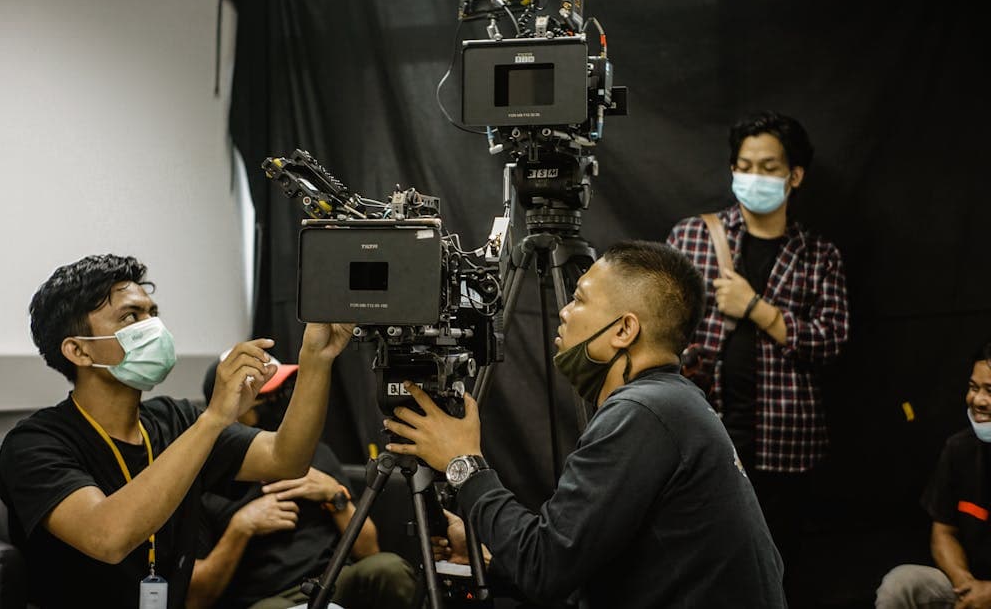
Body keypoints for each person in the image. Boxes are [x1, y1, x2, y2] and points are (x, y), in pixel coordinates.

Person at [385, 240, 786, 608]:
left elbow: (544, 569)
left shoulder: (642, 413)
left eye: (579, 300)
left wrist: (464, 463)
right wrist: (489, 560)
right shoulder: (673, 404)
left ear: (624, 330)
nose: (564, 312)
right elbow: (577, 567)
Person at [0, 254, 352, 608]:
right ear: (79, 351)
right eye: (131, 316)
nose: (153, 327)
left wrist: (316, 359)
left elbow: (285, 458)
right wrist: (214, 418)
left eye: (152, 313)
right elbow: (107, 538)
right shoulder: (34, 445)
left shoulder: (173, 419)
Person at [666, 110, 850, 590]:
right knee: (703, 564)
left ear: (795, 175)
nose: (754, 177)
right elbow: (661, 326)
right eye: (744, 166)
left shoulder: (818, 255)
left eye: (768, 167)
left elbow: (831, 341)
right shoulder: (692, 236)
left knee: (778, 566)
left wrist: (757, 309)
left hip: (785, 443)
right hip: (705, 433)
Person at [189, 357, 416, 609]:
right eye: (265, 394)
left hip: (333, 580)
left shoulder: (314, 454)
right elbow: (196, 598)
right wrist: (240, 529)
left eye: (281, 390)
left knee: (388, 569)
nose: (277, 400)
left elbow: (369, 550)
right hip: (269, 598)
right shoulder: (202, 480)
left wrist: (335, 496)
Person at [876, 342, 991, 609]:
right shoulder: (959, 449)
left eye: (990, 391)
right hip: (972, 586)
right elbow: (943, 532)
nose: (978, 400)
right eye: (974, 388)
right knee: (901, 585)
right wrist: (967, 585)